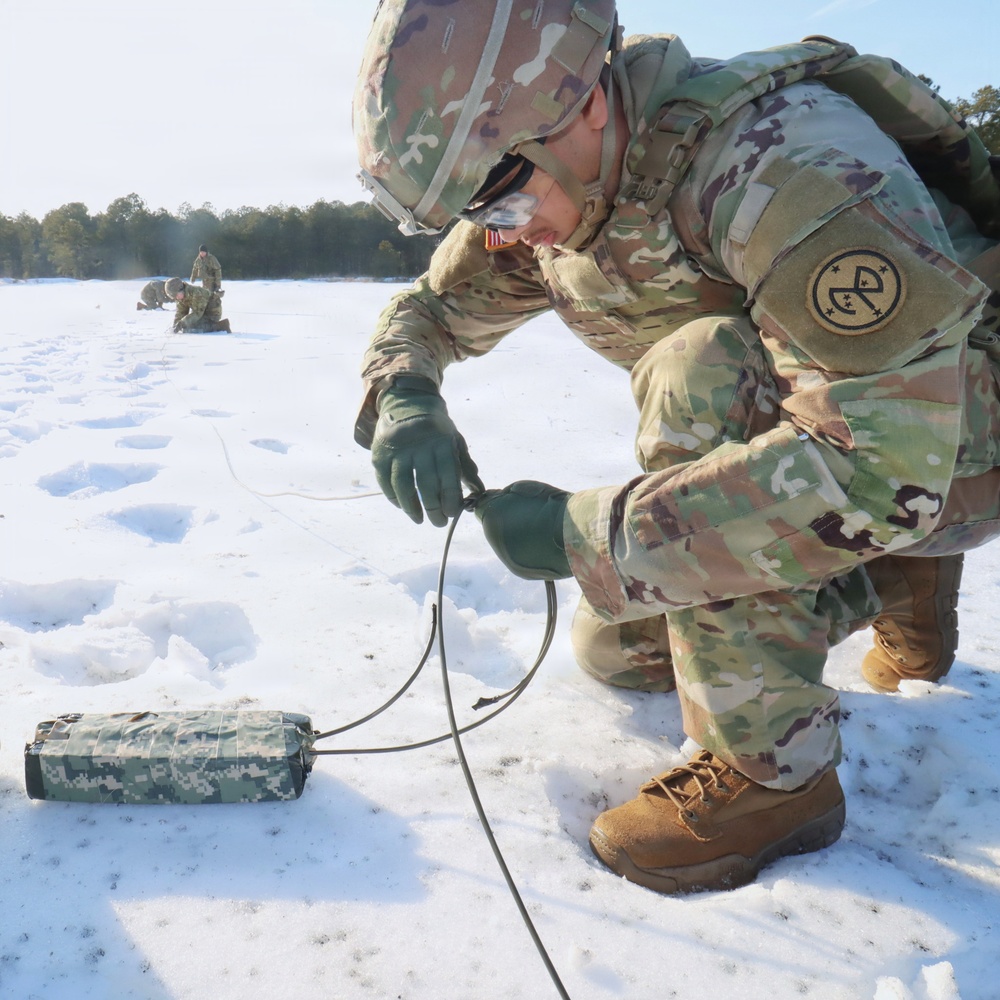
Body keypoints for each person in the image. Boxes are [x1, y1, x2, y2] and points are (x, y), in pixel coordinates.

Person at [352, 1, 1000, 894]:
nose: (498, 231)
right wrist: (406, 394)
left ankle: (773, 780)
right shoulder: (548, 176)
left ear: (584, 104)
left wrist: (586, 535)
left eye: (500, 199)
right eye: (475, 209)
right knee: (622, 650)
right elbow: (428, 310)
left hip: (954, 443)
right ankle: (892, 580)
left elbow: (881, 468)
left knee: (698, 365)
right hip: (865, 454)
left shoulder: (784, 164)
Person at [164, 277, 231, 334]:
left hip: (212, 312)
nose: (176, 298)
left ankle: (222, 325)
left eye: (176, 295)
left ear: (181, 290)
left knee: (193, 327)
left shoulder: (196, 293)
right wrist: (175, 326)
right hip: (201, 312)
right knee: (187, 326)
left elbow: (198, 313)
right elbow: (181, 313)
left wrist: (182, 323)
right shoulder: (182, 296)